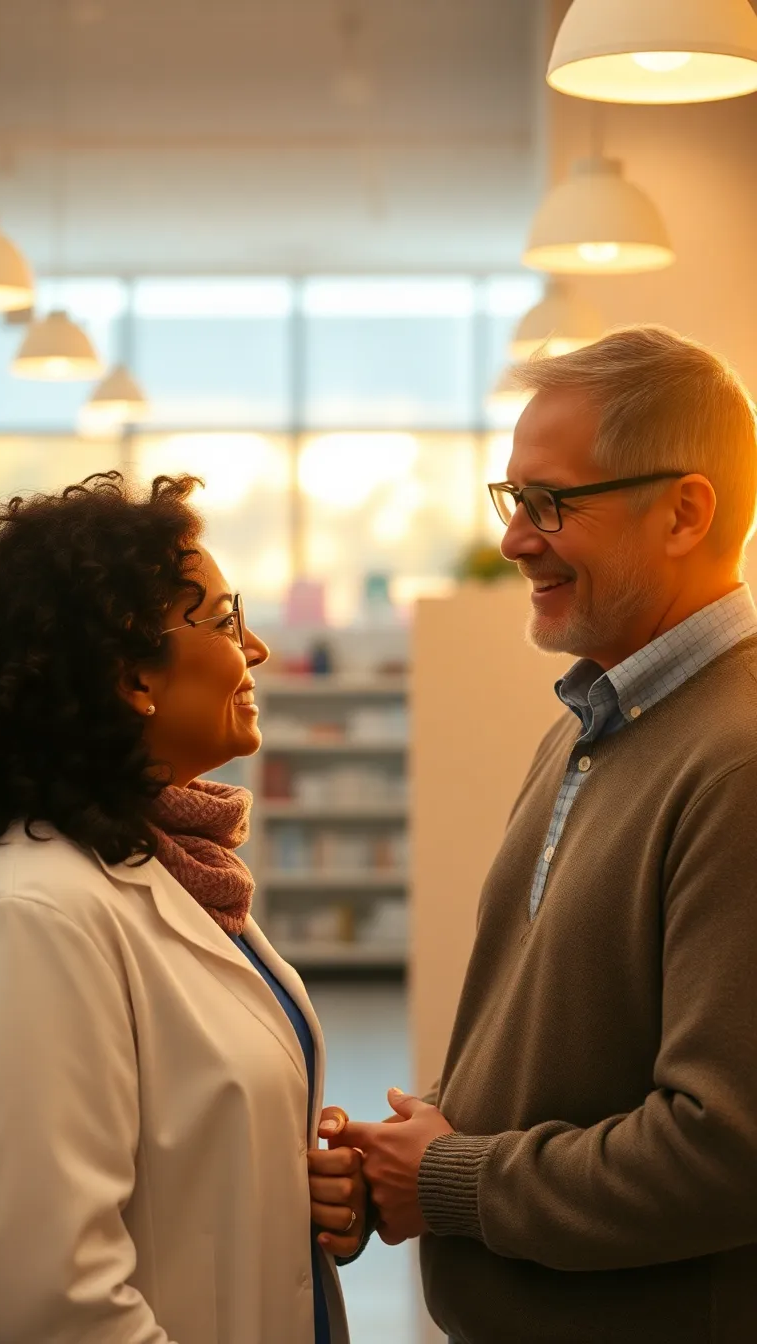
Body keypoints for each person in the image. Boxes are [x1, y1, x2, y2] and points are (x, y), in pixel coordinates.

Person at [322, 326, 757, 1343]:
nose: (517, 538)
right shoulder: (592, 723)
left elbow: (725, 1151)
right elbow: (563, 1037)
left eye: (550, 503)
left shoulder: (737, 763)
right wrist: (406, 1152)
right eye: (512, 500)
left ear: (685, 512)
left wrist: (447, 1177)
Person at [0, 470, 365, 1344]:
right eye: (228, 620)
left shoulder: (179, 870)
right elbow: (52, 1296)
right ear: (132, 675)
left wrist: (300, 1190)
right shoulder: (43, 914)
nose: (259, 648)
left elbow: (181, 1168)